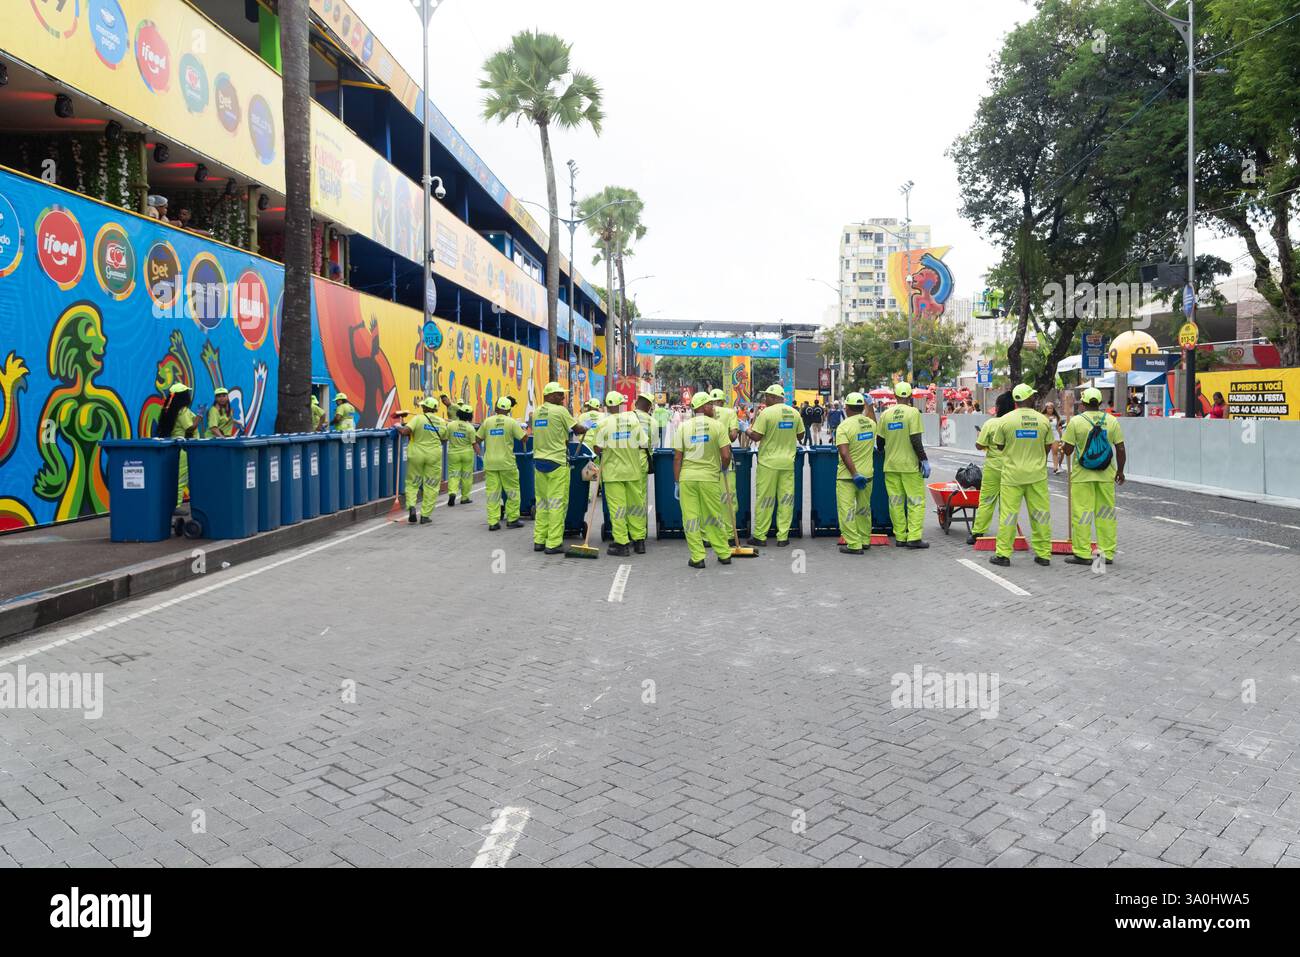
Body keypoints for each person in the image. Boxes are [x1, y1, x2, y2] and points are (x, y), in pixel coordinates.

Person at [989, 384, 1053, 567]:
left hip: (1012, 475)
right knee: (1040, 515)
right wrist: (1038, 457)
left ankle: (1003, 554)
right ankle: (1043, 554)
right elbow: (1048, 446)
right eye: (1032, 396)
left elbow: (999, 446)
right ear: (1028, 398)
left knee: (1008, 515)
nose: (1034, 398)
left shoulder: (1005, 421)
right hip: (1037, 475)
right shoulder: (1043, 420)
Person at [1062, 387, 1126, 566]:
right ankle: (1107, 553)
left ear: (1082, 404)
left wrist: (1063, 445)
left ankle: (1082, 553)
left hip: (1083, 476)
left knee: (1082, 514)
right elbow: (1120, 448)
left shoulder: (1076, 421)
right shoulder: (1112, 421)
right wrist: (1120, 471)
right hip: (1106, 475)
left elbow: (1068, 450)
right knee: (1106, 514)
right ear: (1099, 403)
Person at [672, 391, 733, 568]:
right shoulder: (718, 426)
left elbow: (677, 458)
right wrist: (722, 468)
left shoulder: (684, 427)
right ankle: (723, 553)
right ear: (702, 407)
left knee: (690, 518)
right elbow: (726, 454)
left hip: (687, 479)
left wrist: (677, 482)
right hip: (709, 478)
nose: (713, 407)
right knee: (714, 516)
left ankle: (697, 557)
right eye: (710, 404)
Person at [531, 382, 587, 554]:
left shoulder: (536, 413)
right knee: (556, 504)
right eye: (559, 395)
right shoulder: (561, 411)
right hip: (556, 463)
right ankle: (553, 543)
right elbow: (577, 429)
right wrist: (587, 427)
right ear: (549, 395)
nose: (563, 398)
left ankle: (539, 540)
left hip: (539, 462)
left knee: (542, 503)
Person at [747, 383, 805, 547]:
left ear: (773, 397)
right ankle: (783, 537)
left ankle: (760, 535)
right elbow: (801, 435)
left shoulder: (766, 413)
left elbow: (757, 436)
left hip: (768, 464)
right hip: (787, 463)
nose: (765, 398)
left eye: (767, 396)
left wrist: (746, 430)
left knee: (765, 499)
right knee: (786, 500)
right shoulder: (794, 413)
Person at [594, 391, 649, 557]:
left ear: (607, 407)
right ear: (621, 405)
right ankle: (639, 541)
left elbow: (597, 448)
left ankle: (622, 543)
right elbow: (643, 443)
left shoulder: (603, 424)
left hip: (613, 473)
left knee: (618, 509)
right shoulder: (633, 421)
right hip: (633, 471)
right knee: (636, 507)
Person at [876, 381, 930, 548]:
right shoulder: (913, 413)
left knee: (896, 502)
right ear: (910, 397)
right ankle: (913, 537)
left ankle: (900, 536)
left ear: (895, 396)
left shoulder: (886, 414)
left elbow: (880, 442)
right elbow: (915, 439)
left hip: (890, 466)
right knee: (915, 501)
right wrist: (924, 459)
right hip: (909, 467)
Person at [967, 390, 1016, 545]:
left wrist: (981, 437)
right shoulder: (1015, 423)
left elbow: (979, 445)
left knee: (987, 501)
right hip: (1012, 467)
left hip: (993, 468)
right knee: (1008, 504)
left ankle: (977, 533)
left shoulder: (990, 423)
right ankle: (1006, 535)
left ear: (999, 407)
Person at [834, 392, 878, 555]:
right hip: (867, 475)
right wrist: (870, 406)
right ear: (862, 407)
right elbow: (873, 421)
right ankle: (865, 540)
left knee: (847, 510)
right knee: (863, 509)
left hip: (848, 477)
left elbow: (844, 454)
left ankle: (854, 544)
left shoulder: (844, 427)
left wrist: (854, 474)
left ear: (846, 407)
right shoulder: (870, 424)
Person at [396, 397, 450, 524]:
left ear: (425, 408)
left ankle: (412, 506)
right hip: (434, 456)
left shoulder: (418, 418)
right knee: (431, 485)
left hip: (416, 454)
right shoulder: (441, 422)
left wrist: (398, 426)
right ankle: (425, 515)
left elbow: (405, 431)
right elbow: (445, 438)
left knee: (412, 482)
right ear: (435, 409)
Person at [475, 396, 525, 531]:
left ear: (496, 408)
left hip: (490, 463)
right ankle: (512, 519)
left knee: (493, 493)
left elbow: (477, 439)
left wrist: (480, 452)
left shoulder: (487, 422)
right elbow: (523, 438)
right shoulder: (512, 422)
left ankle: (493, 522)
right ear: (509, 409)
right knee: (512, 491)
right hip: (507, 463)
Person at [158, 382, 198, 506]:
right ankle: (176, 505)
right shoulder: (183, 411)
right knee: (181, 478)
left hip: (174, 447)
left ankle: (171, 503)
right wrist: (199, 417)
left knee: (173, 477)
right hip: (183, 449)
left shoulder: (168, 409)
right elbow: (190, 428)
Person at [445, 402, 477, 507]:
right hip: (467, 454)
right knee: (466, 476)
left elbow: (445, 438)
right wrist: (479, 452)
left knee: (454, 475)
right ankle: (464, 497)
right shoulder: (470, 428)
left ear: (459, 412)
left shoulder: (451, 425)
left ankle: (452, 493)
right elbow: (474, 443)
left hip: (453, 453)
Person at [1042, 401, 1064, 474]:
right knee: (1045, 452)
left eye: (1051, 408)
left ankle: (1056, 468)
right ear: (1046, 409)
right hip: (1046, 435)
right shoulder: (1042, 416)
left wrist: (1061, 437)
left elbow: (1058, 428)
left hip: (1055, 435)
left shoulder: (1056, 417)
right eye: (1048, 408)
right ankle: (1043, 467)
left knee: (1055, 452)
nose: (1050, 410)